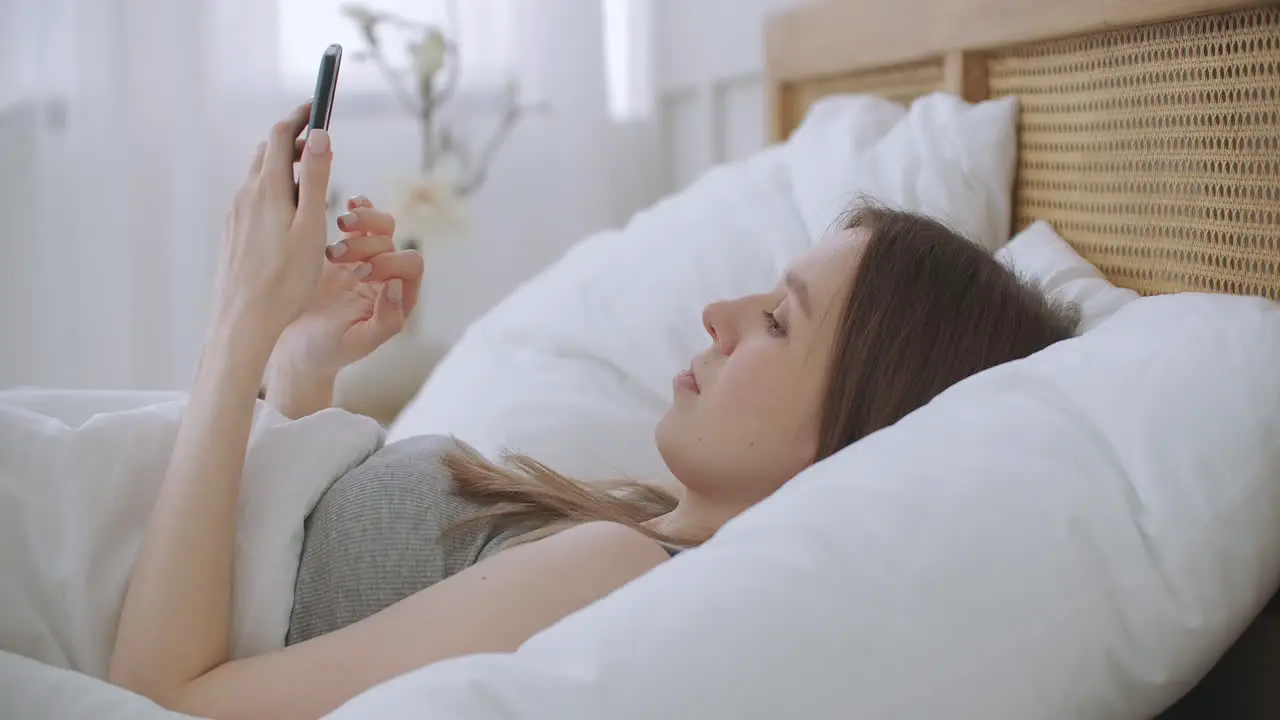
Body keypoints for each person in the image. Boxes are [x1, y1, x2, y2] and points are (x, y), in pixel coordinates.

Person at [107, 103, 1078, 720]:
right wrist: (301, 362)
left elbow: (169, 699)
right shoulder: (620, 521)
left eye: (778, 323)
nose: (717, 315)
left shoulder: (609, 571)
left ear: (859, 425)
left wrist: (235, 330)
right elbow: (291, 589)